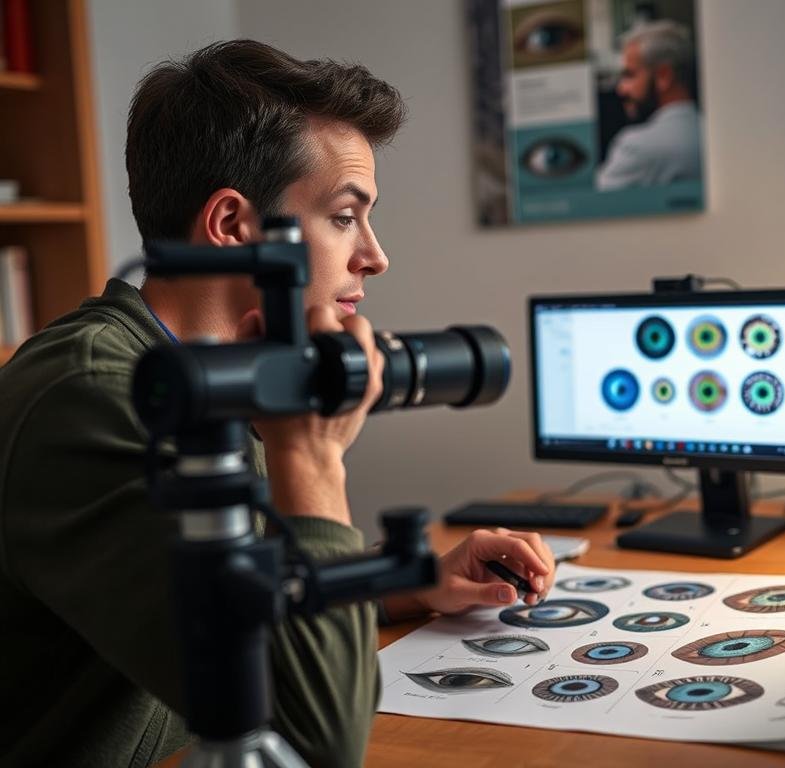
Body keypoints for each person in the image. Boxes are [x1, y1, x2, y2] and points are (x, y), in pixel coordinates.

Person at [0, 40, 554, 768]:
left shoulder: (216, 369)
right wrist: (311, 454)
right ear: (233, 226)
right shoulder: (96, 396)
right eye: (345, 216)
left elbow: (228, 605)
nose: (375, 255)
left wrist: (410, 583)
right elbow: (316, 740)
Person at [596, 20, 702, 191]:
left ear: (663, 76)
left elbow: (597, 204)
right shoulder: (716, 136)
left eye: (629, 75)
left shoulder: (637, 147)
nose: (621, 89)